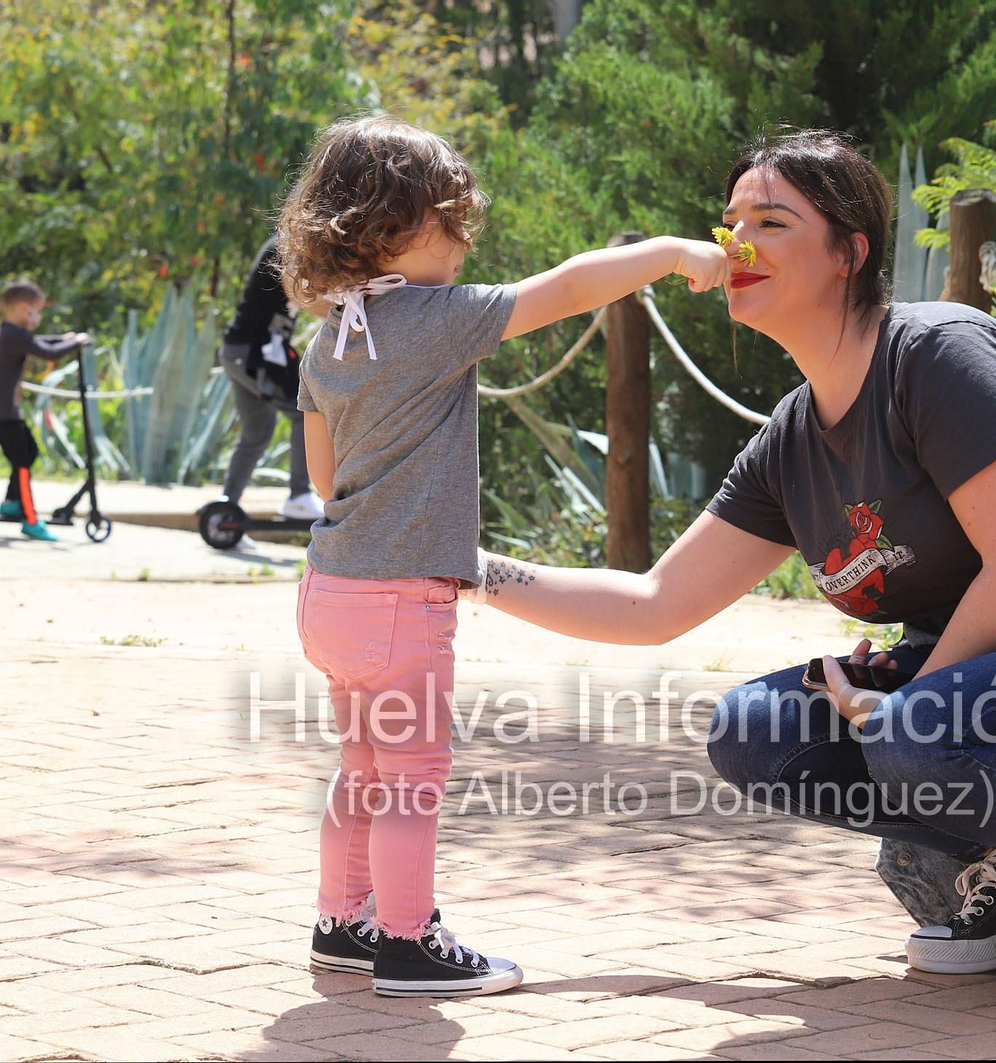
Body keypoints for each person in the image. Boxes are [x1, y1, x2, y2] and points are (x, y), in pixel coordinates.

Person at [458, 129, 996, 1017]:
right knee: (755, 728)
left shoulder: (938, 354)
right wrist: (464, 566)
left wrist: (905, 701)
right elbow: (653, 605)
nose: (734, 246)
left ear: (849, 250)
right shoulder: (789, 443)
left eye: (771, 221)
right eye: (727, 224)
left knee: (910, 730)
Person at [279, 114, 730, 998]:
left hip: (326, 595)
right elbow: (565, 288)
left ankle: (343, 921)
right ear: (395, 227)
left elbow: (326, 480)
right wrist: (672, 251)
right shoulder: (439, 317)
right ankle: (407, 943)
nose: (466, 241)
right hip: (402, 603)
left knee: (363, 766)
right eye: (455, 222)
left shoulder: (329, 339)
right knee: (413, 778)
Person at [216, 235, 324, 551]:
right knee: (306, 410)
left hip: (242, 351)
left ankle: (225, 512)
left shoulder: (293, 245)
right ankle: (299, 495)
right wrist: (345, 307)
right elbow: (298, 292)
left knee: (256, 433)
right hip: (254, 353)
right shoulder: (288, 245)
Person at [0, 279, 92, 542]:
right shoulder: (14, 335)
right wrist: (78, 342)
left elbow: (38, 342)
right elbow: (49, 353)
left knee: (28, 453)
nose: (38, 316)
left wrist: (65, 339)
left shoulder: (10, 332)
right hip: (1, 412)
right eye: (36, 310)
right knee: (22, 464)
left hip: (1, 410)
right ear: (22, 309)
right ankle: (30, 519)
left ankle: (11, 503)